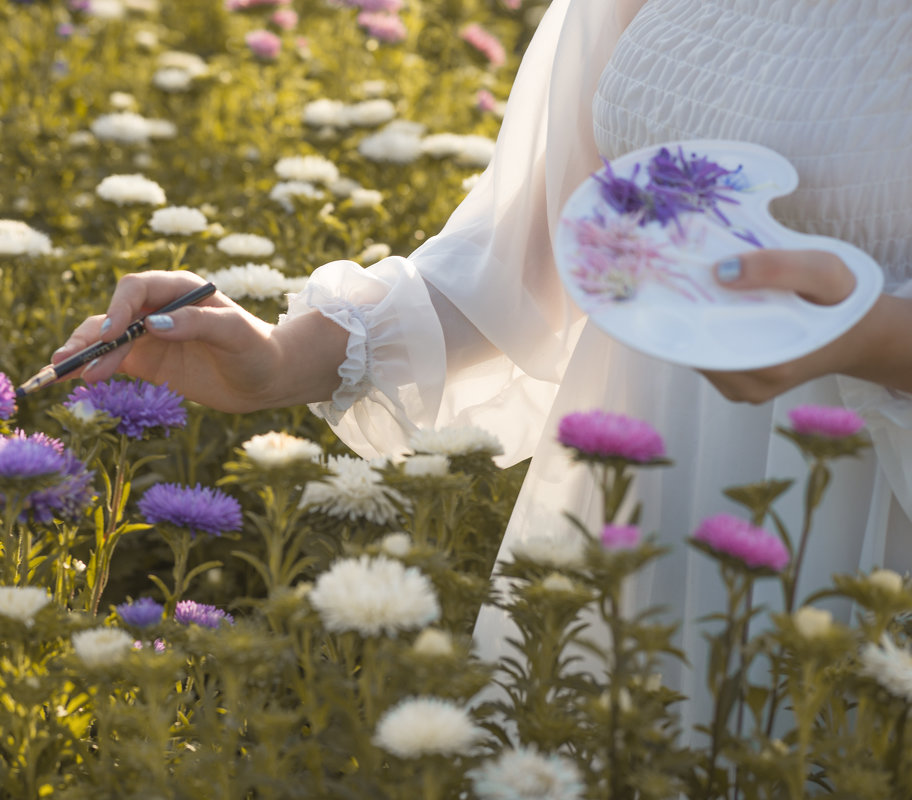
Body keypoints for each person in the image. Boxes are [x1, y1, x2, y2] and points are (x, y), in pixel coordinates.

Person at [53, 0, 912, 733]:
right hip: (641, 519)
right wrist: (279, 361)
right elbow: (534, 259)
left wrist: (875, 342)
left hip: (870, 525)